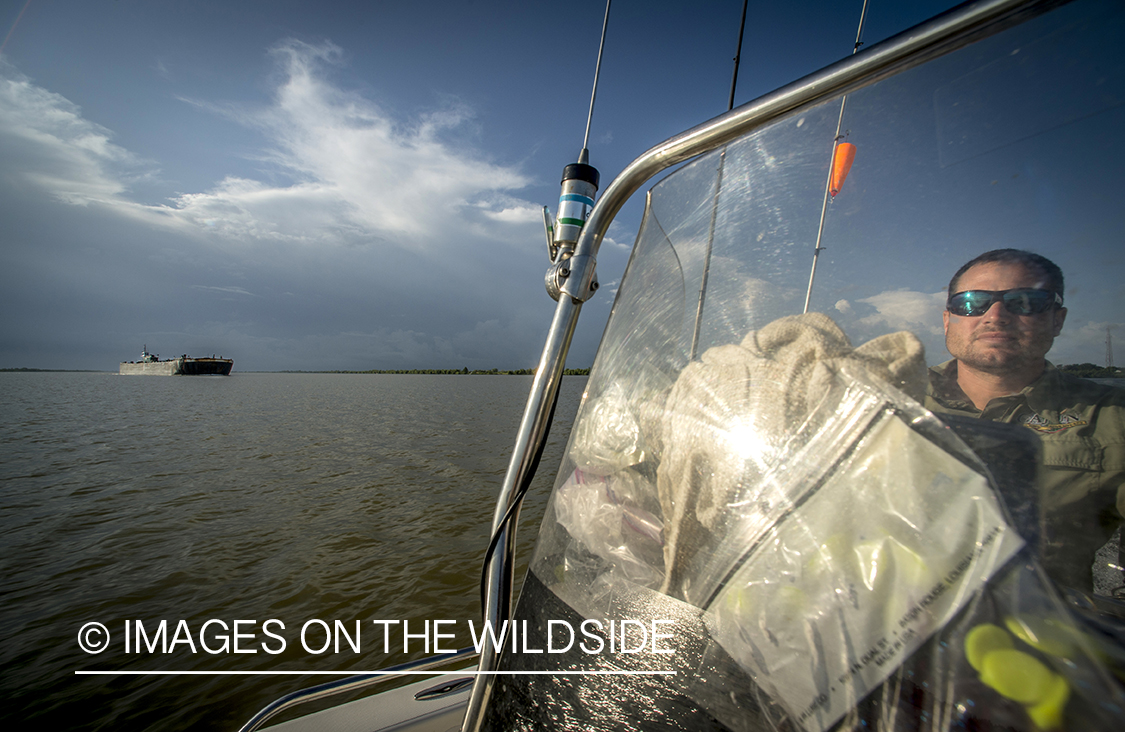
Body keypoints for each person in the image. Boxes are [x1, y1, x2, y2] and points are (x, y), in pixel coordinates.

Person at [924, 248, 1125, 600]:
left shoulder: (1111, 418)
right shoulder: (885, 398)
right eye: (972, 302)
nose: (996, 316)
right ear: (947, 319)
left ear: (1057, 319)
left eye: (1026, 302)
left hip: (1041, 639)